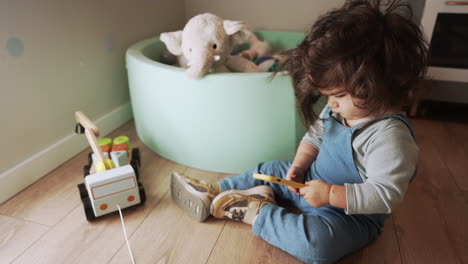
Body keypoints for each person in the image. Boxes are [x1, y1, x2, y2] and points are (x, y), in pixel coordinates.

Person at [170, 0, 428, 263]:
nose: (330, 104)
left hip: (347, 215)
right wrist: (300, 165)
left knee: (318, 246)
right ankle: (215, 189)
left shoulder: (391, 138)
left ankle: (257, 212)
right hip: (308, 181)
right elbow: (315, 137)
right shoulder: (339, 109)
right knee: (270, 170)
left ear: (378, 84)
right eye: (327, 95)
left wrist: (329, 195)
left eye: (337, 95)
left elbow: (385, 195)